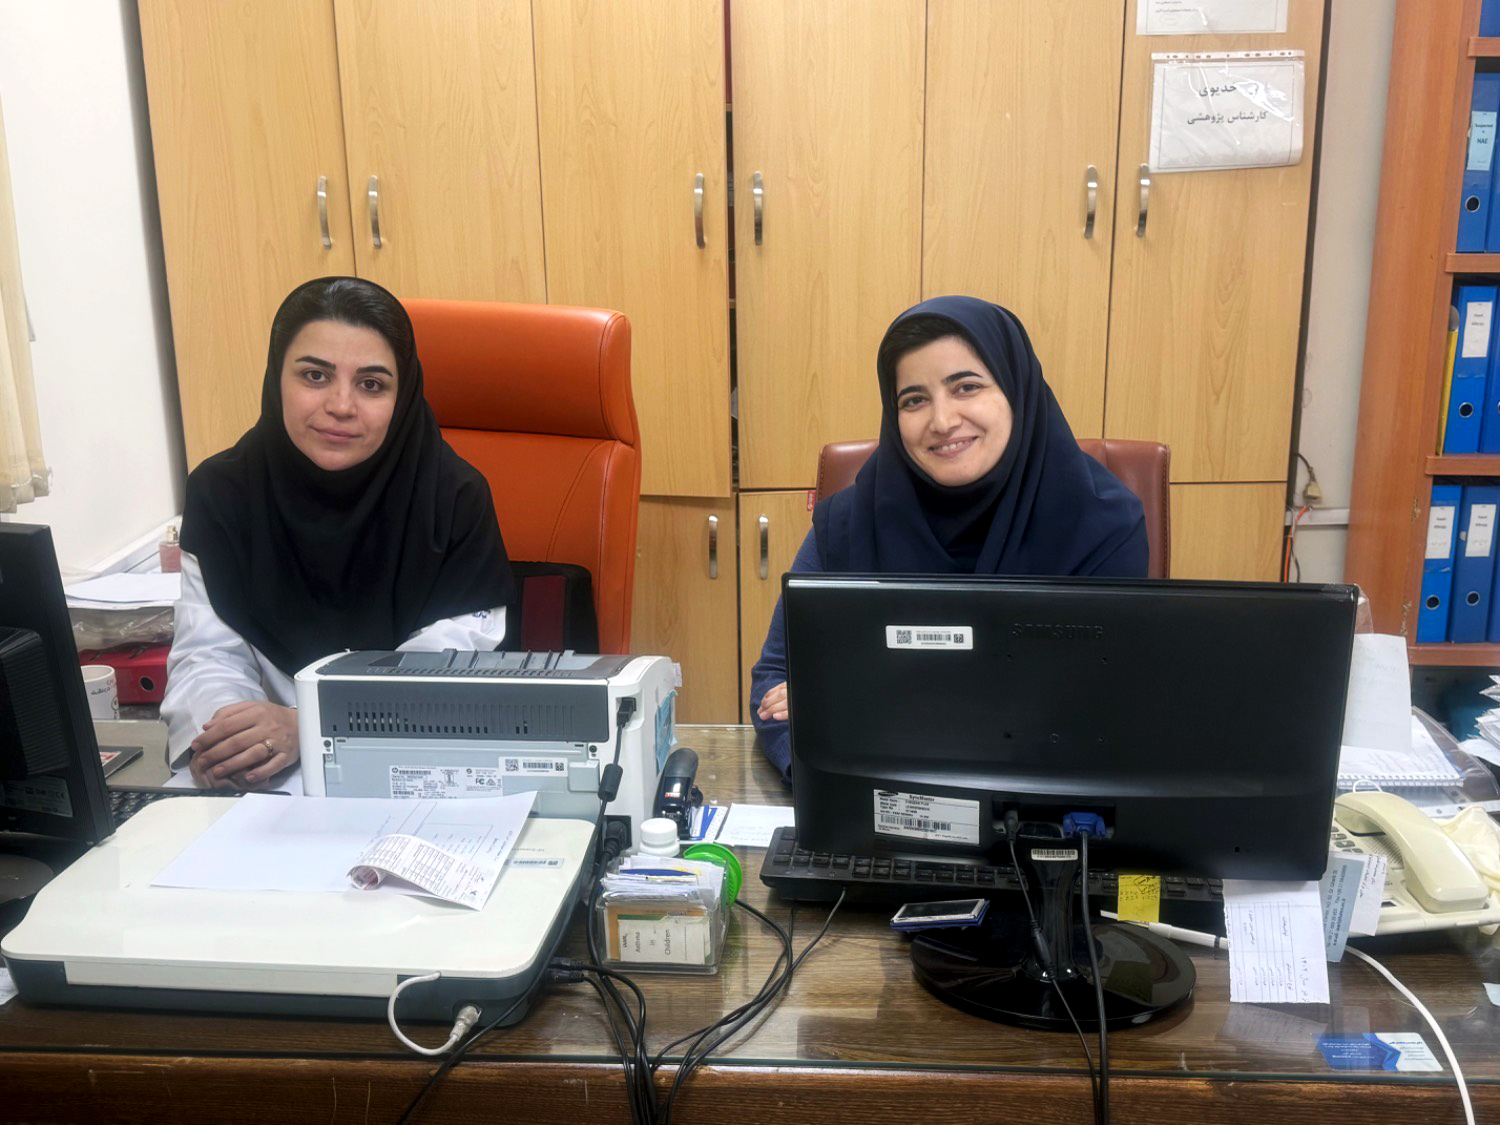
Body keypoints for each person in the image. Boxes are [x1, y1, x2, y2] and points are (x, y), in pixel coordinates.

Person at [750, 296, 1148, 781]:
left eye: (966, 387)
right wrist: (829, 781)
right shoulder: (849, 523)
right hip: (875, 804)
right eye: (914, 400)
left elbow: (1089, 715)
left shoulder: (1102, 526)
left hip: (1036, 811)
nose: (941, 421)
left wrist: (853, 701)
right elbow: (774, 685)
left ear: (1016, 390)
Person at [161, 277, 515, 789]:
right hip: (268, 779)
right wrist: (233, 743)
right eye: (315, 375)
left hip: (411, 767)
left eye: (371, 384)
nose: (342, 405)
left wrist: (312, 724)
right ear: (276, 378)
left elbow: (453, 663)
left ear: (402, 395)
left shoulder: (453, 497)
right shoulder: (224, 492)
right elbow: (207, 653)